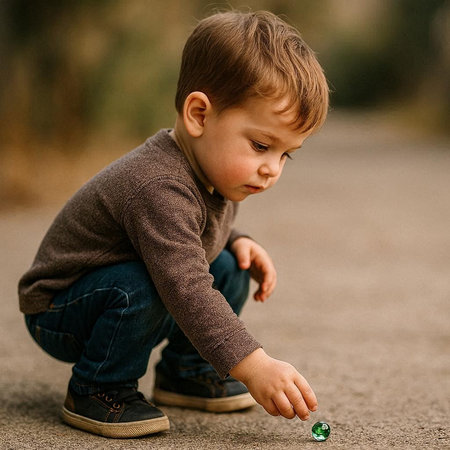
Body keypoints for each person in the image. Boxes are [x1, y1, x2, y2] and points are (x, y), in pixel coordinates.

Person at [18, 9, 329, 439]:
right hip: (60, 309)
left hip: (121, 283)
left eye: (285, 154)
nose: (271, 169)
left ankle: (188, 372)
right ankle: (97, 387)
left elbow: (185, 235)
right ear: (199, 115)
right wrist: (254, 363)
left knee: (229, 266)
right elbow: (182, 282)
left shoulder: (211, 171)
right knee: (149, 282)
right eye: (261, 145)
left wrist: (236, 240)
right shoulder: (158, 183)